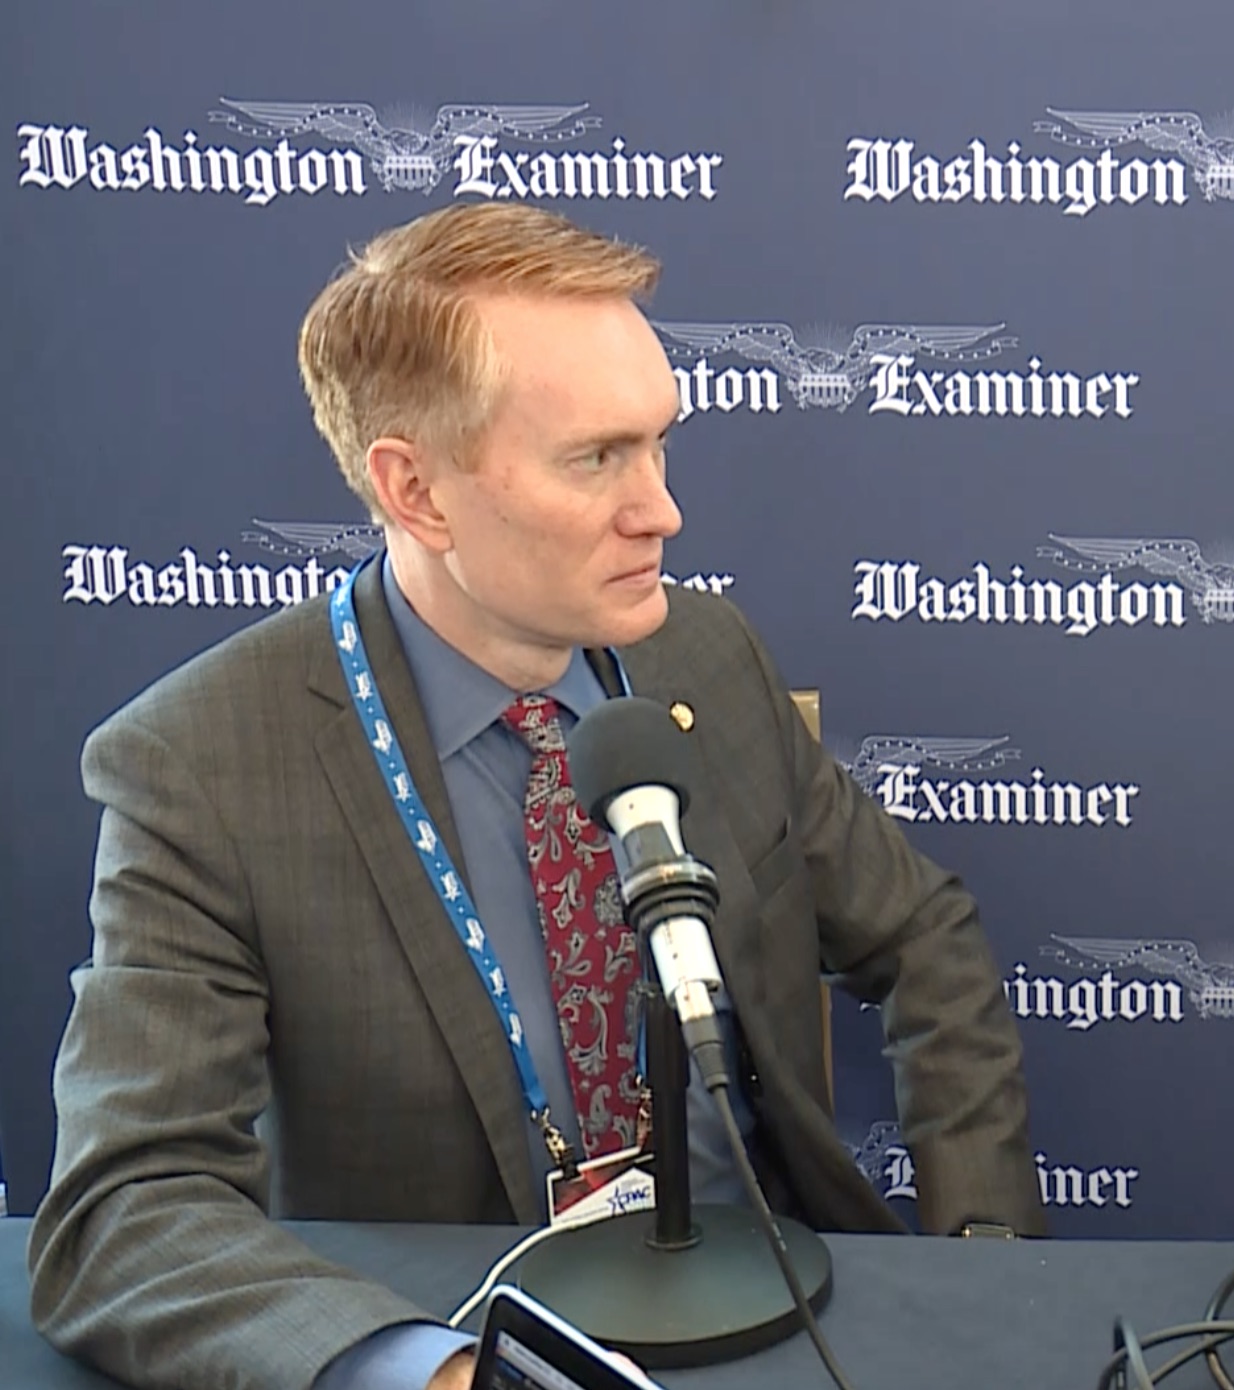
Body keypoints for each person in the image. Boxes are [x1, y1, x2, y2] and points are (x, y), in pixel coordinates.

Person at [27, 202, 1045, 1390]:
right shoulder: (204, 766)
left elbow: (924, 937)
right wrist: (432, 1373)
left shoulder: (705, 658)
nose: (660, 509)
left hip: (780, 1314)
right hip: (472, 1336)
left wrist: (984, 1251)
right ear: (417, 491)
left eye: (658, 444)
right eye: (596, 458)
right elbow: (125, 1206)